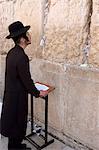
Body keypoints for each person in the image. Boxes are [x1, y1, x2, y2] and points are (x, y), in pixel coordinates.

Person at [1, 21, 48, 150]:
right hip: (17, 97)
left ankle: (15, 146)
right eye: (27, 33)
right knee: (17, 123)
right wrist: (38, 93)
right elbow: (26, 80)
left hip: (11, 95)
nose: (29, 35)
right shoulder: (21, 56)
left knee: (13, 124)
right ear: (22, 39)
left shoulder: (12, 53)